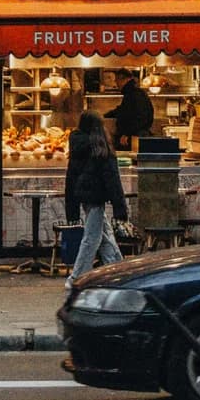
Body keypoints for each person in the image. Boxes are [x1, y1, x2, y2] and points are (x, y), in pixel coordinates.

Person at [65, 111, 127, 281]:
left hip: (84, 198)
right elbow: (112, 180)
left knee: (105, 235)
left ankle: (118, 272)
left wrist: (71, 210)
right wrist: (120, 207)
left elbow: (70, 178)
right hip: (97, 198)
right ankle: (77, 278)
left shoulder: (77, 147)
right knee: (92, 238)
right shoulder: (101, 148)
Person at [106, 71, 155, 151]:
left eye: (117, 81)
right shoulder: (134, 93)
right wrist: (106, 115)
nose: (116, 84)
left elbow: (141, 117)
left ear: (123, 79)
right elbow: (122, 110)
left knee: (132, 159)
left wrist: (128, 133)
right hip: (134, 135)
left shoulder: (133, 94)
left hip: (133, 137)